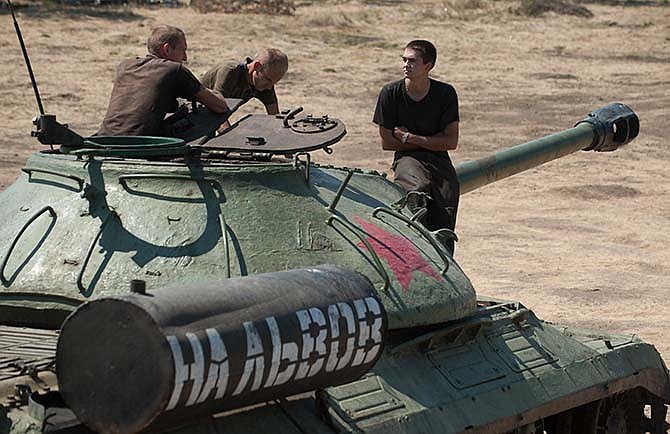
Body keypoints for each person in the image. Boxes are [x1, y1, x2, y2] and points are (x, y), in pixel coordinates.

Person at [372, 40, 460, 253]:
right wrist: (431, 140)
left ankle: (443, 261)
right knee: (415, 192)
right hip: (407, 157)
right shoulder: (391, 93)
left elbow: (451, 142)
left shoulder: (445, 94)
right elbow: (387, 142)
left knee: (446, 203)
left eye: (412, 61)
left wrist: (408, 136)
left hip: (439, 160)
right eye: (404, 60)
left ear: (428, 65)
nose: (405, 65)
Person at [97, 25, 229, 136]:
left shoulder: (126, 66)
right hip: (138, 143)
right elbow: (219, 106)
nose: (185, 58)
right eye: (182, 50)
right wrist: (215, 93)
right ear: (166, 49)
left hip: (105, 137)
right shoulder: (174, 70)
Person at [200, 48, 288, 116]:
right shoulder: (230, 72)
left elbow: (274, 117)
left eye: (274, 83)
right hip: (196, 112)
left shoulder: (265, 82)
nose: (269, 87)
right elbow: (216, 111)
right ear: (257, 67)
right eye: (268, 80)